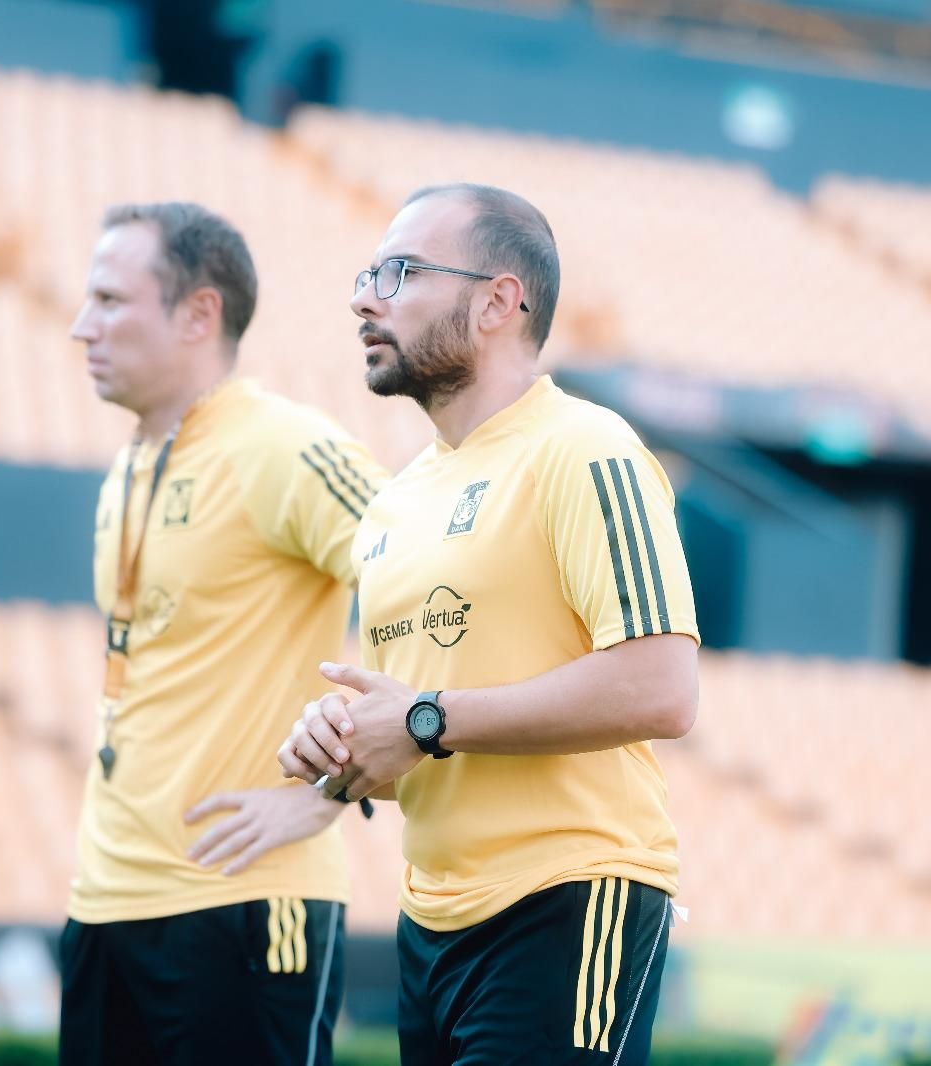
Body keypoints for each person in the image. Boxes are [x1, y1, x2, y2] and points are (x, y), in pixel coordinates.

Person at [279, 184, 699, 1065]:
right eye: (368, 274)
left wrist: (425, 718)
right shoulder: (395, 503)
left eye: (400, 272)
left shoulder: (586, 447)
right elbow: (418, 746)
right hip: (429, 924)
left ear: (499, 301)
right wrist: (348, 744)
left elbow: (662, 688)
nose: (366, 297)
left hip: (569, 898)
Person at [63, 201, 383, 1065]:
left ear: (199, 313)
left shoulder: (285, 447)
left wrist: (329, 793)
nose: (78, 326)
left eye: (108, 301)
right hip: (105, 904)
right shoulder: (128, 465)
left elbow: (433, 600)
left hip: (244, 905)